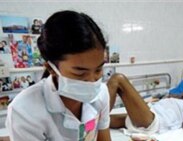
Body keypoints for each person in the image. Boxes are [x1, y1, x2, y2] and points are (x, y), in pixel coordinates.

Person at [6, 10, 111, 141]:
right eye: (80, 73)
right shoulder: (24, 110)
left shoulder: (101, 93)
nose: (92, 81)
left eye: (98, 70)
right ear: (51, 68)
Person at [107, 73, 183, 134]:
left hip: (154, 121)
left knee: (117, 79)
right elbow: (159, 100)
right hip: (145, 114)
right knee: (101, 121)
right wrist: (179, 96)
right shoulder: (176, 96)